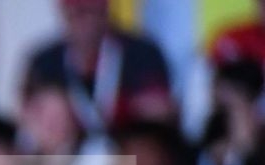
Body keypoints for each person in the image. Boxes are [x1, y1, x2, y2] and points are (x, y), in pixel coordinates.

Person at [21, 0, 175, 140]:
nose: (81, 8)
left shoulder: (141, 54)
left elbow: (158, 123)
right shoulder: (44, 63)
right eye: (75, 8)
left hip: (126, 161)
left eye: (89, 7)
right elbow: (28, 130)